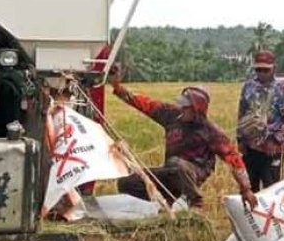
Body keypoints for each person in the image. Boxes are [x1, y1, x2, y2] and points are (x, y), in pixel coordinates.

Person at [108, 70, 257, 210]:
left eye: (185, 107)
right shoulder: (171, 114)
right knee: (126, 183)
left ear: (196, 109)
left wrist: (246, 189)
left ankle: (196, 202)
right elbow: (144, 104)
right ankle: (162, 205)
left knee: (176, 163)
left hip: (193, 174)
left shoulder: (210, 131)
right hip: (170, 172)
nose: (181, 109)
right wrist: (117, 87)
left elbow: (234, 159)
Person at [237, 50, 284, 192]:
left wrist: (275, 140)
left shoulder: (282, 90)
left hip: (271, 150)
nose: (261, 73)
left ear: (273, 68)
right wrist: (240, 141)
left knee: (272, 190)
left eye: (265, 70)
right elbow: (241, 114)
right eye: (258, 69)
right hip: (250, 149)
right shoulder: (248, 87)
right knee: (249, 190)